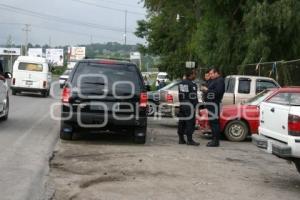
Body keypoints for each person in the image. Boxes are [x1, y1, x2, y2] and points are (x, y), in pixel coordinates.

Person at [202, 68, 225, 147]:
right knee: (212, 122)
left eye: (211, 74)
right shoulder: (213, 80)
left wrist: (207, 90)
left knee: (215, 123)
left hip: (214, 104)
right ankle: (213, 139)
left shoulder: (220, 81)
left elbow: (218, 92)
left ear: (216, 73)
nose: (210, 75)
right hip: (210, 104)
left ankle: (216, 141)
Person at [177, 68, 200, 146]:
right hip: (189, 105)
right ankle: (189, 140)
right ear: (190, 75)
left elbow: (180, 95)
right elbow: (193, 97)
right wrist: (195, 105)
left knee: (182, 121)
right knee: (190, 122)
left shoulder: (181, 83)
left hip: (182, 103)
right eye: (194, 74)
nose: (195, 76)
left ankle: (181, 139)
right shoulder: (192, 84)